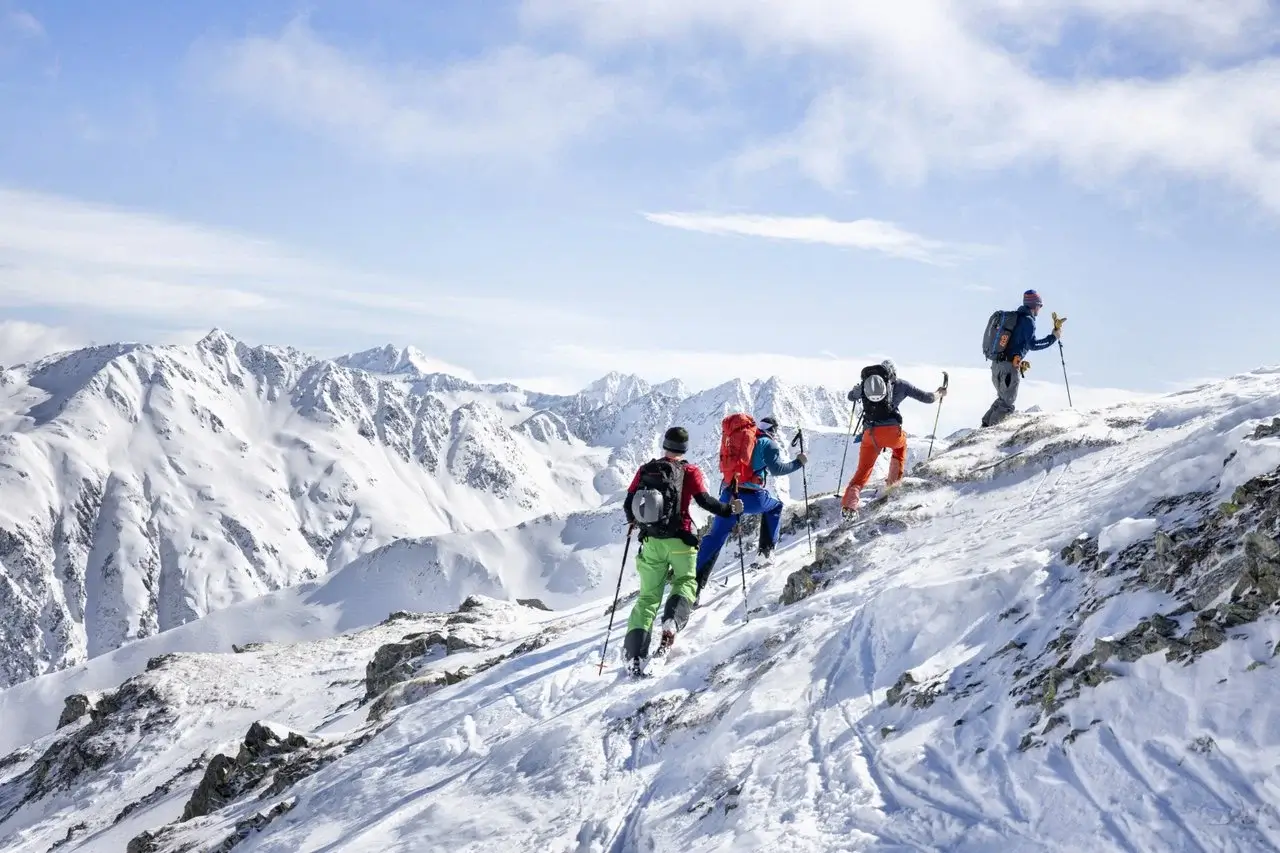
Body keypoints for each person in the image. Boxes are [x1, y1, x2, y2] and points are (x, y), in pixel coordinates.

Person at [622, 426, 742, 674]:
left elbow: (628, 503)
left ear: (664, 444)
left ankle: (635, 655)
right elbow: (704, 501)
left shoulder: (646, 470)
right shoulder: (690, 471)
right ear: (685, 448)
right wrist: (730, 510)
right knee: (685, 582)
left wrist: (636, 523)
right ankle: (671, 625)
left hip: (652, 543)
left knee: (647, 598)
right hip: (681, 541)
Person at [694, 415, 807, 598]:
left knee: (715, 536)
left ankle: (694, 589)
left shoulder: (742, 438)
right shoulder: (768, 443)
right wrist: (798, 463)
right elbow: (777, 470)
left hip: (729, 494)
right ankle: (765, 553)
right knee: (775, 507)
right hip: (752, 497)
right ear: (774, 430)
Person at [841, 360, 946, 514]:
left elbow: (851, 397)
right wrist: (940, 393)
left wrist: (859, 389)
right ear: (893, 373)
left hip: (870, 434)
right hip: (892, 432)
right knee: (900, 447)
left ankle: (849, 506)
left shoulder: (867, 385)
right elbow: (928, 398)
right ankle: (892, 485)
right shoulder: (901, 385)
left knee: (862, 472)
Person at [981, 289, 1062, 428]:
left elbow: (1014, 344)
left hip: (997, 365)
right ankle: (990, 434)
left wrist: (1018, 358)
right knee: (1007, 403)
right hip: (1008, 368)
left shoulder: (1015, 318)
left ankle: (984, 427)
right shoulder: (1028, 321)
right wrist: (1053, 337)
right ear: (1034, 305)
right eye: (1040, 305)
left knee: (1002, 400)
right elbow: (1033, 344)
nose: (1040, 308)